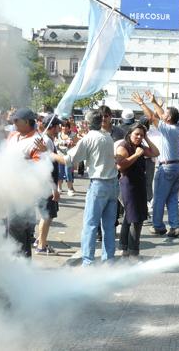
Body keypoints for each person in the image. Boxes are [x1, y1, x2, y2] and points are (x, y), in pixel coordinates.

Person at [63, 110, 121, 266]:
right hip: (113, 183)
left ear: (87, 124)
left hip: (98, 184)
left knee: (90, 225)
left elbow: (70, 160)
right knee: (108, 225)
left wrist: (50, 154)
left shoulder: (89, 138)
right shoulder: (107, 137)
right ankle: (108, 260)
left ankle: (88, 262)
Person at [131, 91, 179, 237]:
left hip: (166, 167)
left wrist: (142, 103)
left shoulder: (167, 129)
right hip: (176, 166)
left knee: (159, 198)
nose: (162, 114)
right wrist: (153, 101)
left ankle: (158, 226)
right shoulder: (176, 129)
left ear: (169, 118)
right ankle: (175, 226)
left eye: (165, 113)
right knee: (172, 198)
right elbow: (159, 115)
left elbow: (152, 117)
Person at [5, 108, 44, 258]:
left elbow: (40, 167)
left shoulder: (38, 141)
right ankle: (20, 263)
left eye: (16, 120)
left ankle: (20, 263)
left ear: (27, 122)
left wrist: (23, 164)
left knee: (18, 227)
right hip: (9, 187)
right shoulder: (13, 135)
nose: (13, 123)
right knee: (11, 227)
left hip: (24, 191)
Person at [116, 123, 159, 257]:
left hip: (139, 184)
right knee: (136, 219)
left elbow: (155, 152)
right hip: (128, 185)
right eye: (137, 134)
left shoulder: (140, 146)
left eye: (141, 135)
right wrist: (136, 155)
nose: (139, 137)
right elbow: (120, 165)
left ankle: (124, 247)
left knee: (130, 217)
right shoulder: (123, 147)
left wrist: (146, 139)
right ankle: (133, 251)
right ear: (130, 134)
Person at [35, 114, 62, 255]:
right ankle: (41, 246)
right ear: (51, 127)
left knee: (47, 215)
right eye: (58, 126)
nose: (60, 128)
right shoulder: (47, 142)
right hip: (46, 186)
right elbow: (47, 169)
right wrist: (54, 189)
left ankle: (40, 240)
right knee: (47, 216)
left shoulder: (47, 140)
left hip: (43, 184)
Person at [56, 121, 77, 196]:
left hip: (69, 156)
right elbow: (55, 144)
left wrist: (71, 144)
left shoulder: (73, 135)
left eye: (66, 127)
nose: (64, 128)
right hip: (59, 155)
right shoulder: (58, 134)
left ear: (69, 128)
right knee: (59, 172)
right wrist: (59, 144)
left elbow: (77, 145)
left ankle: (70, 189)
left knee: (68, 173)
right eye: (63, 126)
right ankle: (59, 188)